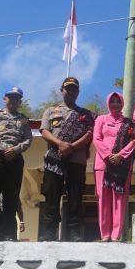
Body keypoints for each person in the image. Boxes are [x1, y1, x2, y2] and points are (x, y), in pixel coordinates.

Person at [39, 77, 95, 242]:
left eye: (73, 89)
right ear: (61, 90)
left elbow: (89, 134)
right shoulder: (50, 111)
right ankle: (49, 232)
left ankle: (75, 232)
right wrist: (60, 144)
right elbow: (44, 131)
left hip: (76, 160)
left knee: (76, 196)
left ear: (78, 92)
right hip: (55, 159)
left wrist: (72, 147)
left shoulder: (86, 114)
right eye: (67, 88)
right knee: (51, 195)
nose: (70, 91)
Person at [0, 87, 32, 241]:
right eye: (11, 97)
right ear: (5, 99)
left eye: (17, 98)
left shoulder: (24, 119)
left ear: (20, 101)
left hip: (15, 159)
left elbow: (28, 139)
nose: (14, 100)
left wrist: (15, 150)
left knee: (11, 197)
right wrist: (5, 149)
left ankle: (8, 233)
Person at [93, 92, 135, 242]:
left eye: (118, 101)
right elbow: (96, 139)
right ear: (108, 103)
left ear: (122, 103)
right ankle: (105, 234)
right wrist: (109, 155)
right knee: (103, 199)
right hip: (103, 165)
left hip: (122, 165)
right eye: (113, 101)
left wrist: (121, 155)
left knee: (119, 199)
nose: (115, 104)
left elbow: (133, 141)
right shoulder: (101, 119)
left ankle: (116, 235)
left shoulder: (129, 123)